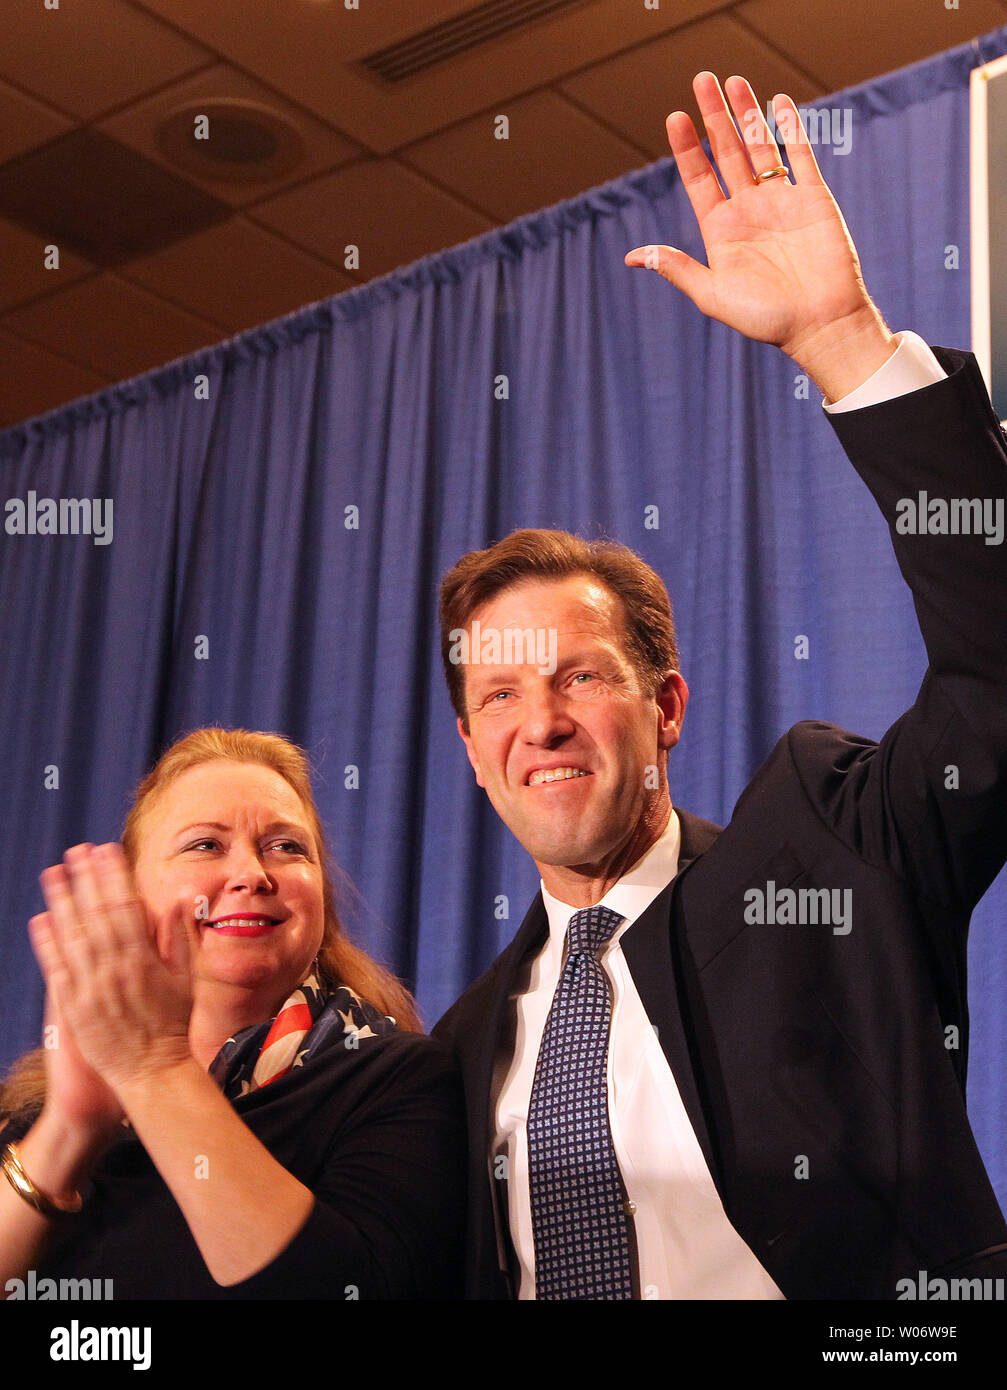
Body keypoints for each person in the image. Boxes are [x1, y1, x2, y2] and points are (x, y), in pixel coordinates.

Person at [432, 72, 1007, 1299]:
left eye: (580, 675)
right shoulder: (454, 1054)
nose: (539, 721)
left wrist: (839, 342)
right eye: (496, 700)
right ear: (474, 752)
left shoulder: (832, 858)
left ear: (667, 707)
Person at [1, 728, 465, 1299]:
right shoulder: (43, 1120)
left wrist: (154, 1070)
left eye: (286, 847)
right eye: (205, 846)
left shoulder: (401, 1079)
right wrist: (70, 1130)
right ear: (131, 893)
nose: (252, 874)